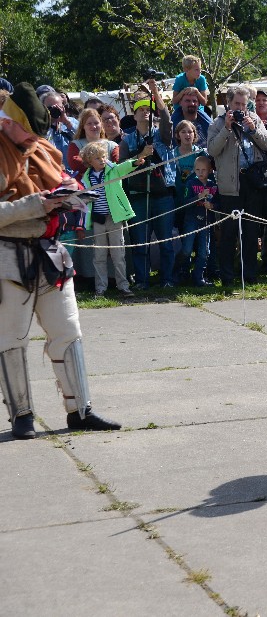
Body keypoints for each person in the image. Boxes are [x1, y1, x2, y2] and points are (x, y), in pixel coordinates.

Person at [0, 83, 121, 439]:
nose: (34, 137)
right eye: (27, 129)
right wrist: (40, 205)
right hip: (8, 257)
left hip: (51, 254)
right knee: (11, 339)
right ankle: (21, 415)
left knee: (68, 332)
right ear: (8, 122)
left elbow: (63, 180)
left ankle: (80, 410)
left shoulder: (45, 149)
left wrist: (72, 195)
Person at [208, 86, 267, 286]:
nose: (241, 108)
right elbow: (212, 149)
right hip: (229, 185)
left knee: (251, 232)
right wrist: (227, 129)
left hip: (252, 184)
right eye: (237, 104)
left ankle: (249, 275)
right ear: (228, 103)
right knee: (228, 233)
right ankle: (227, 277)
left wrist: (253, 128)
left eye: (244, 104)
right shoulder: (218, 123)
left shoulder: (253, 119)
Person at [119, 84, 175, 289]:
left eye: (148, 109)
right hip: (138, 195)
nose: (145, 112)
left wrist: (155, 91)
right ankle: (142, 280)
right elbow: (122, 168)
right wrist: (140, 156)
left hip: (162, 195)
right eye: (140, 109)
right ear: (134, 116)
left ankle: (167, 279)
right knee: (140, 241)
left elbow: (168, 120)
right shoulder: (127, 141)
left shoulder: (162, 134)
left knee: (166, 241)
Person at [81, 140, 135, 297]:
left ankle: (123, 286)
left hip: (114, 218)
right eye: (98, 158)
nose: (102, 160)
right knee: (99, 256)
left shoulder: (112, 171)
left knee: (118, 254)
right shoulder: (87, 178)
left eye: (104, 157)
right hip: (98, 220)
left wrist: (135, 162)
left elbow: (124, 168)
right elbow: (84, 198)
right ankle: (101, 288)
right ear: (90, 161)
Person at [179, 156, 218, 286]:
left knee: (204, 251)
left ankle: (199, 277)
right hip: (191, 220)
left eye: (204, 170)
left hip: (206, 221)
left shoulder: (213, 185)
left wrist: (212, 206)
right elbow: (185, 203)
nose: (200, 173)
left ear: (210, 170)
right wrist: (198, 197)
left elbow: (218, 203)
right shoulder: (190, 183)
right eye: (197, 170)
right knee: (187, 249)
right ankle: (183, 271)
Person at [68, 108, 119, 181]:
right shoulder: (76, 144)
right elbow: (75, 164)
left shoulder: (112, 145)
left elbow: (117, 163)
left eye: (96, 123)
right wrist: (102, 165)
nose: (94, 126)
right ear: (83, 126)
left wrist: (93, 164)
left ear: (101, 124)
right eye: (89, 124)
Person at [40, 90, 79, 170]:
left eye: (59, 107)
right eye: (50, 108)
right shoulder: (39, 128)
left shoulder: (71, 122)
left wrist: (67, 123)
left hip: (71, 174)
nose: (55, 110)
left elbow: (85, 138)